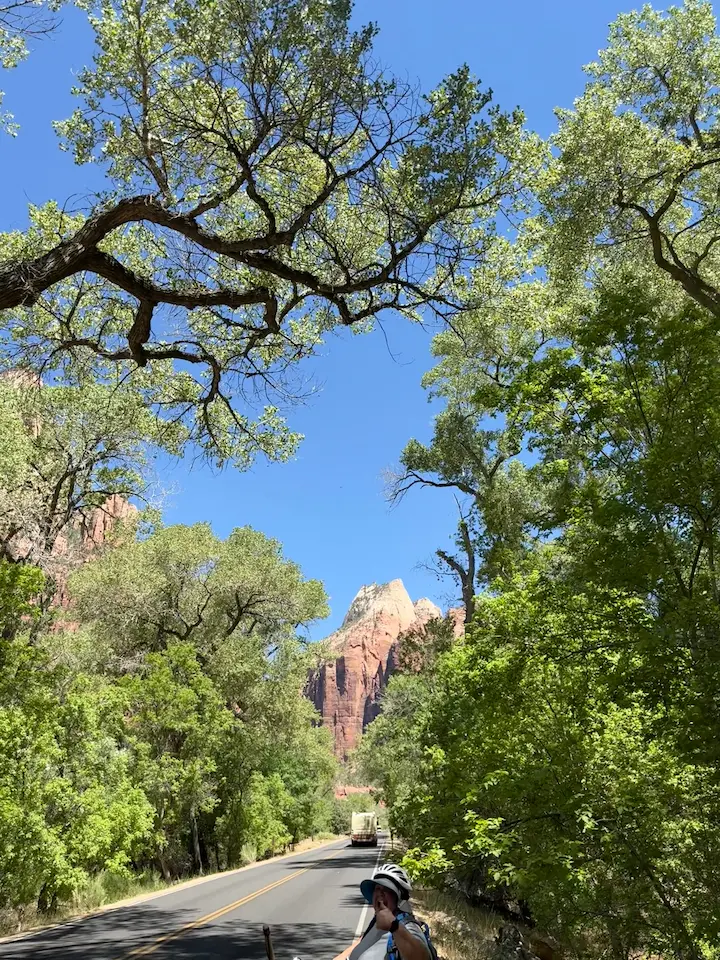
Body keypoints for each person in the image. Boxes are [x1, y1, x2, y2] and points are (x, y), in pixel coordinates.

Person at [348, 863, 431, 960]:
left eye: (387, 889)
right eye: (377, 888)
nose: (380, 893)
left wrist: (395, 926)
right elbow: (361, 943)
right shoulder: (377, 921)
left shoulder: (408, 926)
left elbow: (422, 957)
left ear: (399, 898)